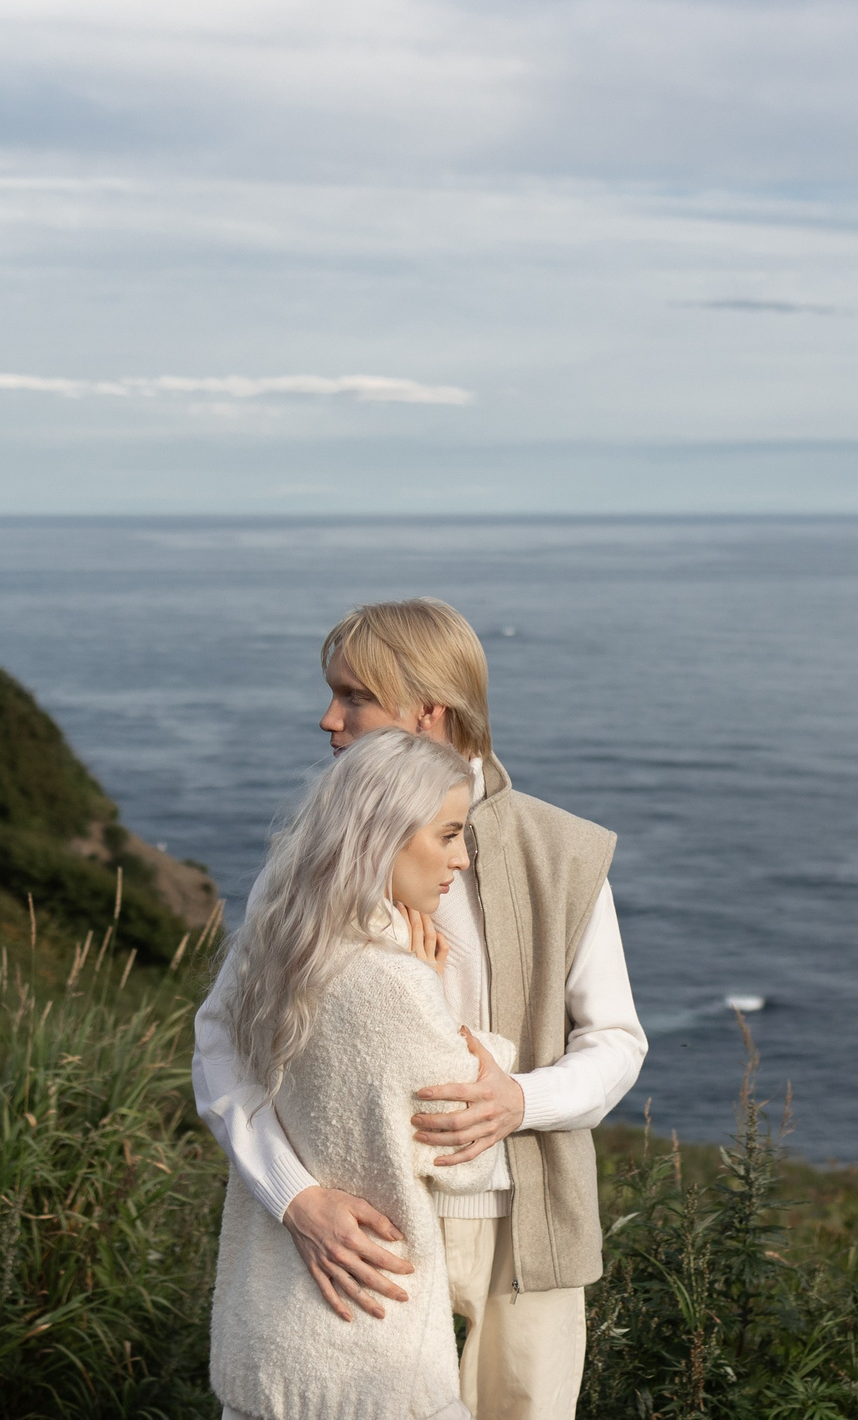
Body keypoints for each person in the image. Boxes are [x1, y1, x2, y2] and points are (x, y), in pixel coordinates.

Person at [195, 598, 647, 1420]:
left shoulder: (564, 851)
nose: (328, 718)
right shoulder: (312, 858)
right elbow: (222, 1037)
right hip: (365, 1230)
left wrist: (520, 1099)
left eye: (352, 696)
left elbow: (617, 1040)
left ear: (426, 711)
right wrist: (294, 1194)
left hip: (525, 1229)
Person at [207, 730, 515, 1419]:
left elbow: (221, 1058)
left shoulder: (282, 945)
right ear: (384, 836)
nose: (461, 858)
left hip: (267, 1341)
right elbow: (463, 1157)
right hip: (371, 1344)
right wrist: (454, 1015)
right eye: (449, 834)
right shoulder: (399, 984)